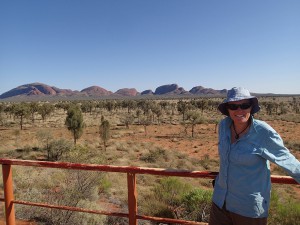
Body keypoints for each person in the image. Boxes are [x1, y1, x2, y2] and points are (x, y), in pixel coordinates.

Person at [209, 87, 300, 225]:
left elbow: (287, 159)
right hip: (220, 203)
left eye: (244, 105)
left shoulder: (263, 132)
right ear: (227, 109)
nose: (239, 111)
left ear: (251, 107)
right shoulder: (223, 126)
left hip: (247, 209)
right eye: (233, 106)